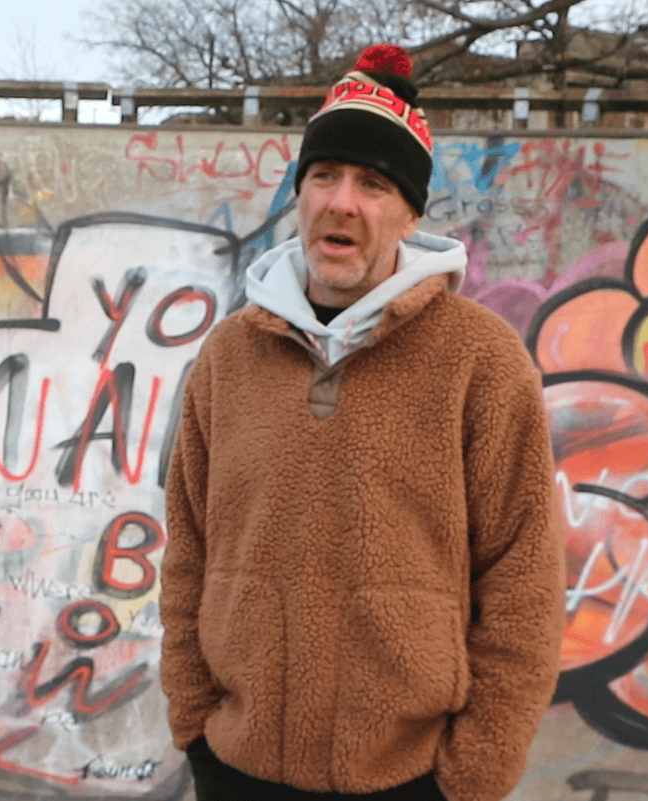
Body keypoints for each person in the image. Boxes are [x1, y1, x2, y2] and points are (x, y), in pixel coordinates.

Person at [160, 43, 565, 801]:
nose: (342, 200)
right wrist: (194, 725)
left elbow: (523, 580)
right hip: (237, 767)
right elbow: (188, 546)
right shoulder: (228, 354)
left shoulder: (479, 359)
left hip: (410, 779)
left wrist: (472, 774)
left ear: (410, 212)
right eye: (324, 175)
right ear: (300, 194)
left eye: (372, 183)